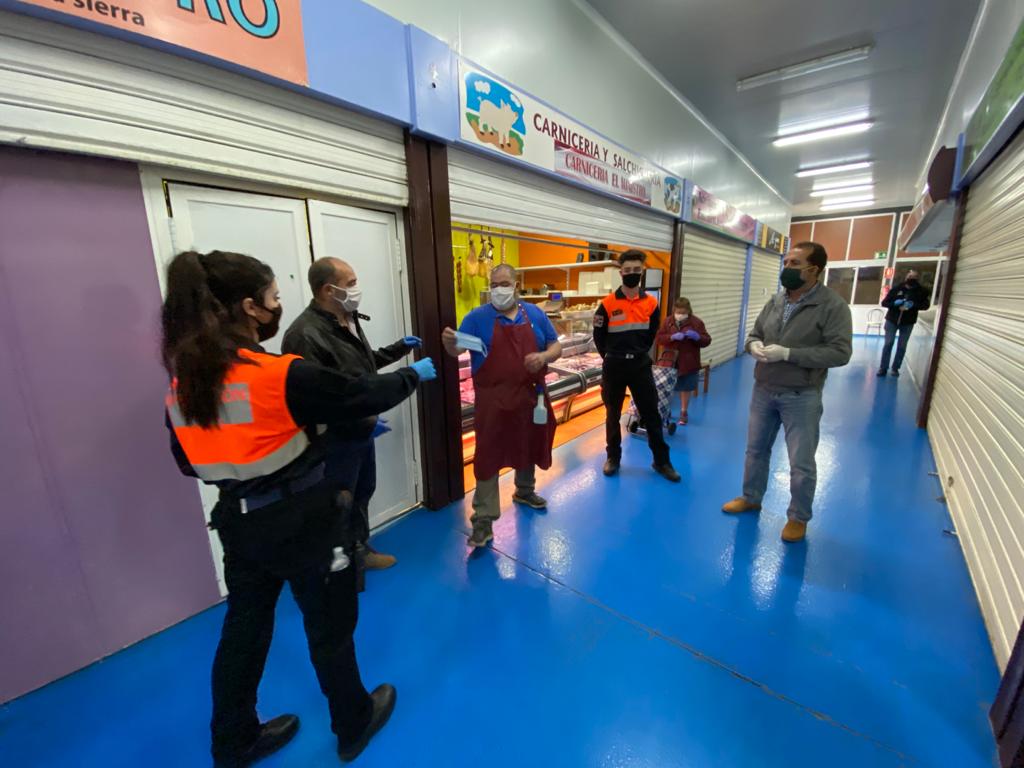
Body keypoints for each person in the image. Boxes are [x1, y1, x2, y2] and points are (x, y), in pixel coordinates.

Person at [161, 250, 437, 766]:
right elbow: (356, 395)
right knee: (329, 628)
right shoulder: (277, 373)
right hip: (304, 520)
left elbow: (187, 463)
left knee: (244, 631)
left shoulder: (184, 386)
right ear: (249, 308)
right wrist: (411, 377)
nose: (277, 305)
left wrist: (246, 463)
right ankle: (353, 723)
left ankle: (233, 740)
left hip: (239, 523)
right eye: (272, 296)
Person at [282, 257, 420, 579]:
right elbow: (320, 399)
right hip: (333, 442)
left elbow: (361, 371)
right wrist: (363, 420)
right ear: (328, 290)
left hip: (360, 431)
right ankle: (340, 569)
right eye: (351, 283)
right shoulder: (304, 335)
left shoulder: (346, 320)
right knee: (337, 503)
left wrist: (399, 348)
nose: (357, 289)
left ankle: (359, 550)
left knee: (362, 492)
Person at [722, 242, 852, 543]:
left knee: (801, 462)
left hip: (801, 395)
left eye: (795, 263)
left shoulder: (832, 306)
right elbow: (755, 333)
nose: (787, 268)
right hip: (764, 388)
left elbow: (840, 352)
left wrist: (789, 354)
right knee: (755, 451)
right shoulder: (776, 300)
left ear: (814, 269)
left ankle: (798, 517)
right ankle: (751, 497)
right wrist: (753, 345)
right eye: (786, 262)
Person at [442, 263, 561, 548]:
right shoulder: (476, 318)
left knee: (528, 441)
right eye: (494, 285)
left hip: (529, 396)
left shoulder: (535, 314)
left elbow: (555, 345)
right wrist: (449, 343)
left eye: (504, 284)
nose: (498, 289)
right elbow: (457, 349)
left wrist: (543, 357)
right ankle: (483, 521)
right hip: (492, 401)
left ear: (516, 286)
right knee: (488, 455)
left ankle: (524, 490)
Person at [594, 250, 680, 482]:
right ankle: (613, 457)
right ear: (621, 272)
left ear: (642, 272)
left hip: (640, 365)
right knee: (612, 414)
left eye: (636, 270)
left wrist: (637, 351)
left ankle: (662, 462)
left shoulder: (651, 303)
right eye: (628, 270)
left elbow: (652, 332)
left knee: (651, 414)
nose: (632, 274)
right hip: (614, 366)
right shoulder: (607, 304)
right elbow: (598, 336)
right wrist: (610, 356)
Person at [655, 296, 711, 426]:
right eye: (678, 312)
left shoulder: (697, 323)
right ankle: (666, 410)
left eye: (683, 312)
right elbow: (659, 338)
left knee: (685, 388)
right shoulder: (668, 321)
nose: (680, 315)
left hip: (688, 362)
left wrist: (697, 337)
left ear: (688, 311)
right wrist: (671, 337)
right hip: (669, 361)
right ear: (674, 310)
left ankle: (683, 412)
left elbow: (707, 340)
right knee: (667, 387)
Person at [877, 269, 931, 377]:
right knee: (888, 343)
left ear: (917, 279)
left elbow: (925, 306)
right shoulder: (897, 289)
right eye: (910, 277)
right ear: (906, 277)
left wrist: (913, 305)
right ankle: (883, 368)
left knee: (902, 346)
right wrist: (894, 304)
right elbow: (884, 303)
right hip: (892, 320)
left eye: (914, 277)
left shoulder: (921, 291)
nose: (911, 279)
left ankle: (895, 368)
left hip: (908, 322)